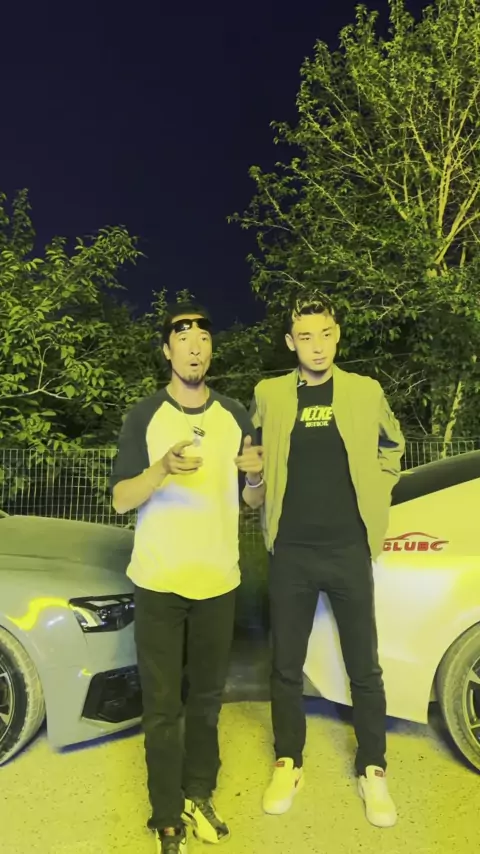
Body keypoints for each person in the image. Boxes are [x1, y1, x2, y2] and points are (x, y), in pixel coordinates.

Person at [110, 301, 264, 854]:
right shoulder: (145, 416)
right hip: (159, 582)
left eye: (203, 339)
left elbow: (251, 502)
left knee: (206, 700)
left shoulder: (234, 416)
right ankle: (166, 816)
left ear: (210, 350)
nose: (194, 348)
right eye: (183, 339)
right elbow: (120, 499)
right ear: (167, 351)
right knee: (161, 707)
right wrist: (159, 470)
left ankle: (199, 793)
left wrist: (256, 478)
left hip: (218, 582)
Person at [249, 292, 405, 828]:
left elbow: (392, 447)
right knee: (284, 666)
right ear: (291, 342)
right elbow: (256, 458)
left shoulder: (365, 390)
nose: (317, 346)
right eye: (305, 337)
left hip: (348, 548)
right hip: (290, 550)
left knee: (365, 665)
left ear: (337, 336)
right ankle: (288, 762)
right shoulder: (269, 394)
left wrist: (376, 495)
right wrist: (254, 478)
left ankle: (373, 767)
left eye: (325, 334)